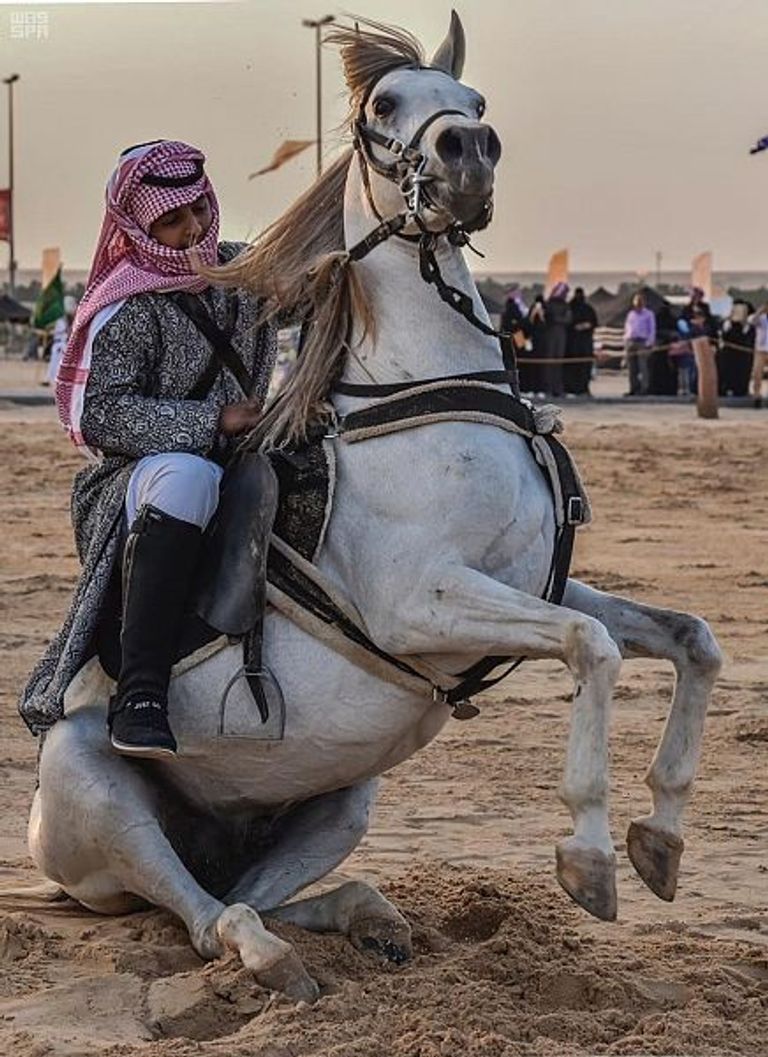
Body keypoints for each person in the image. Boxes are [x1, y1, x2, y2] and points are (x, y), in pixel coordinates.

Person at [20, 140, 279, 758]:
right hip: (138, 479)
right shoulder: (126, 305)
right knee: (188, 477)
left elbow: (324, 284)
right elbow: (100, 415)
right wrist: (213, 420)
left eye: (196, 210)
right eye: (171, 219)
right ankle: (139, 696)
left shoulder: (246, 274)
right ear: (137, 226)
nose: (191, 229)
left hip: (245, 459)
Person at [564, 287, 596, 396]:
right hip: (575, 344)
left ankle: (582, 388)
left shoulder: (585, 308)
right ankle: (574, 388)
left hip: (581, 344)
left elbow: (593, 322)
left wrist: (585, 326)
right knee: (575, 367)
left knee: (584, 367)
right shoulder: (571, 308)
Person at [718, 301, 754, 398]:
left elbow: (749, 339)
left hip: (743, 355)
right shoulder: (726, 323)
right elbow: (723, 336)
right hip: (728, 354)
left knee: (742, 375)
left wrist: (745, 324)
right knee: (726, 373)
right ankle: (724, 389)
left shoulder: (749, 326)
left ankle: (741, 390)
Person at [623, 291, 656, 395]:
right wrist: (625, 340)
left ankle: (644, 389)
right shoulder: (631, 314)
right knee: (632, 368)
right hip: (631, 341)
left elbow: (652, 329)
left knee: (643, 367)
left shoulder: (649, 314)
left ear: (644, 302)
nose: (638, 304)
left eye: (640, 302)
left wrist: (649, 343)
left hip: (642, 342)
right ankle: (633, 388)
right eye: (636, 301)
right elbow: (627, 328)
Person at [543, 282, 571, 397]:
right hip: (551, 334)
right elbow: (548, 318)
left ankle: (557, 388)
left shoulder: (564, 305)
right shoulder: (549, 304)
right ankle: (549, 388)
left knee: (558, 362)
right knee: (550, 362)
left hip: (560, 334)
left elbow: (568, 319)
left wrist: (557, 319)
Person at [45, 295, 77, 387]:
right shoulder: (60, 321)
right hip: (59, 344)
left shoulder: (67, 321)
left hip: (64, 344)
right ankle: (50, 379)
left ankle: (56, 380)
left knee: (60, 364)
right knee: (54, 363)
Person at [524, 294, 547, 397]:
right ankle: (532, 389)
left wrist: (541, 315)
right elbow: (528, 325)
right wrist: (533, 315)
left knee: (541, 368)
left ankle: (541, 390)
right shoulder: (532, 311)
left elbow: (546, 325)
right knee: (532, 368)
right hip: (533, 343)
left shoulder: (546, 310)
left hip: (542, 344)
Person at [748, 303, 768, 407]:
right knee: (757, 373)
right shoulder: (761, 318)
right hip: (761, 349)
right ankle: (757, 396)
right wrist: (759, 312)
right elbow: (751, 321)